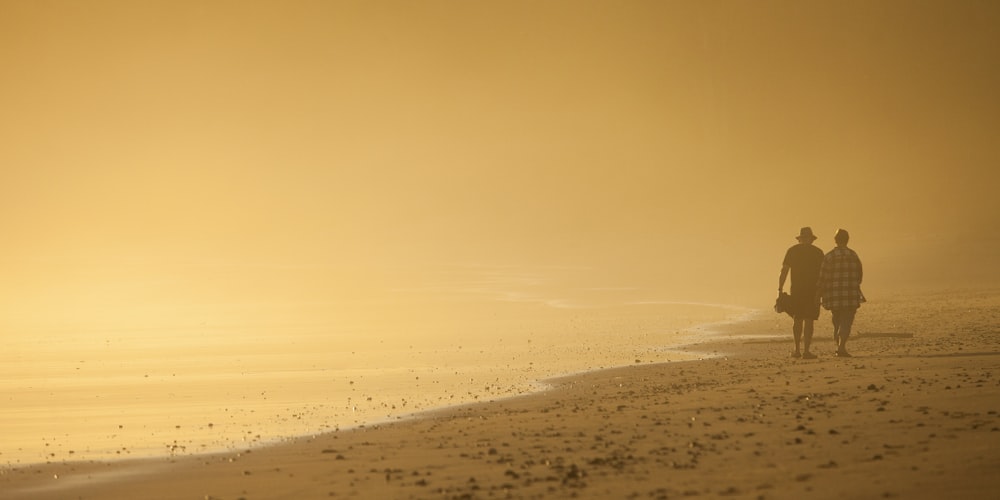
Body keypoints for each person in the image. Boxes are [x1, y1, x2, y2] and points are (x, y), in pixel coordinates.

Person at [816, 229, 864, 357]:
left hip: (834, 296)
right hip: (850, 295)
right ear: (847, 240)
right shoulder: (853, 255)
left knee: (836, 318)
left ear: (835, 240)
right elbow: (860, 276)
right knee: (847, 321)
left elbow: (822, 278)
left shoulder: (829, 256)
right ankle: (842, 346)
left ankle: (838, 339)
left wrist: (818, 295)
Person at [778, 227, 824, 359]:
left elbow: (784, 271)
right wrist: (821, 291)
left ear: (800, 239)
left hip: (797, 290)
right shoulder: (818, 252)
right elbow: (823, 273)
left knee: (797, 319)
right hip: (813, 291)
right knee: (809, 320)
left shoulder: (792, 251)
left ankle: (797, 349)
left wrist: (780, 288)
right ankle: (806, 351)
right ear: (811, 239)